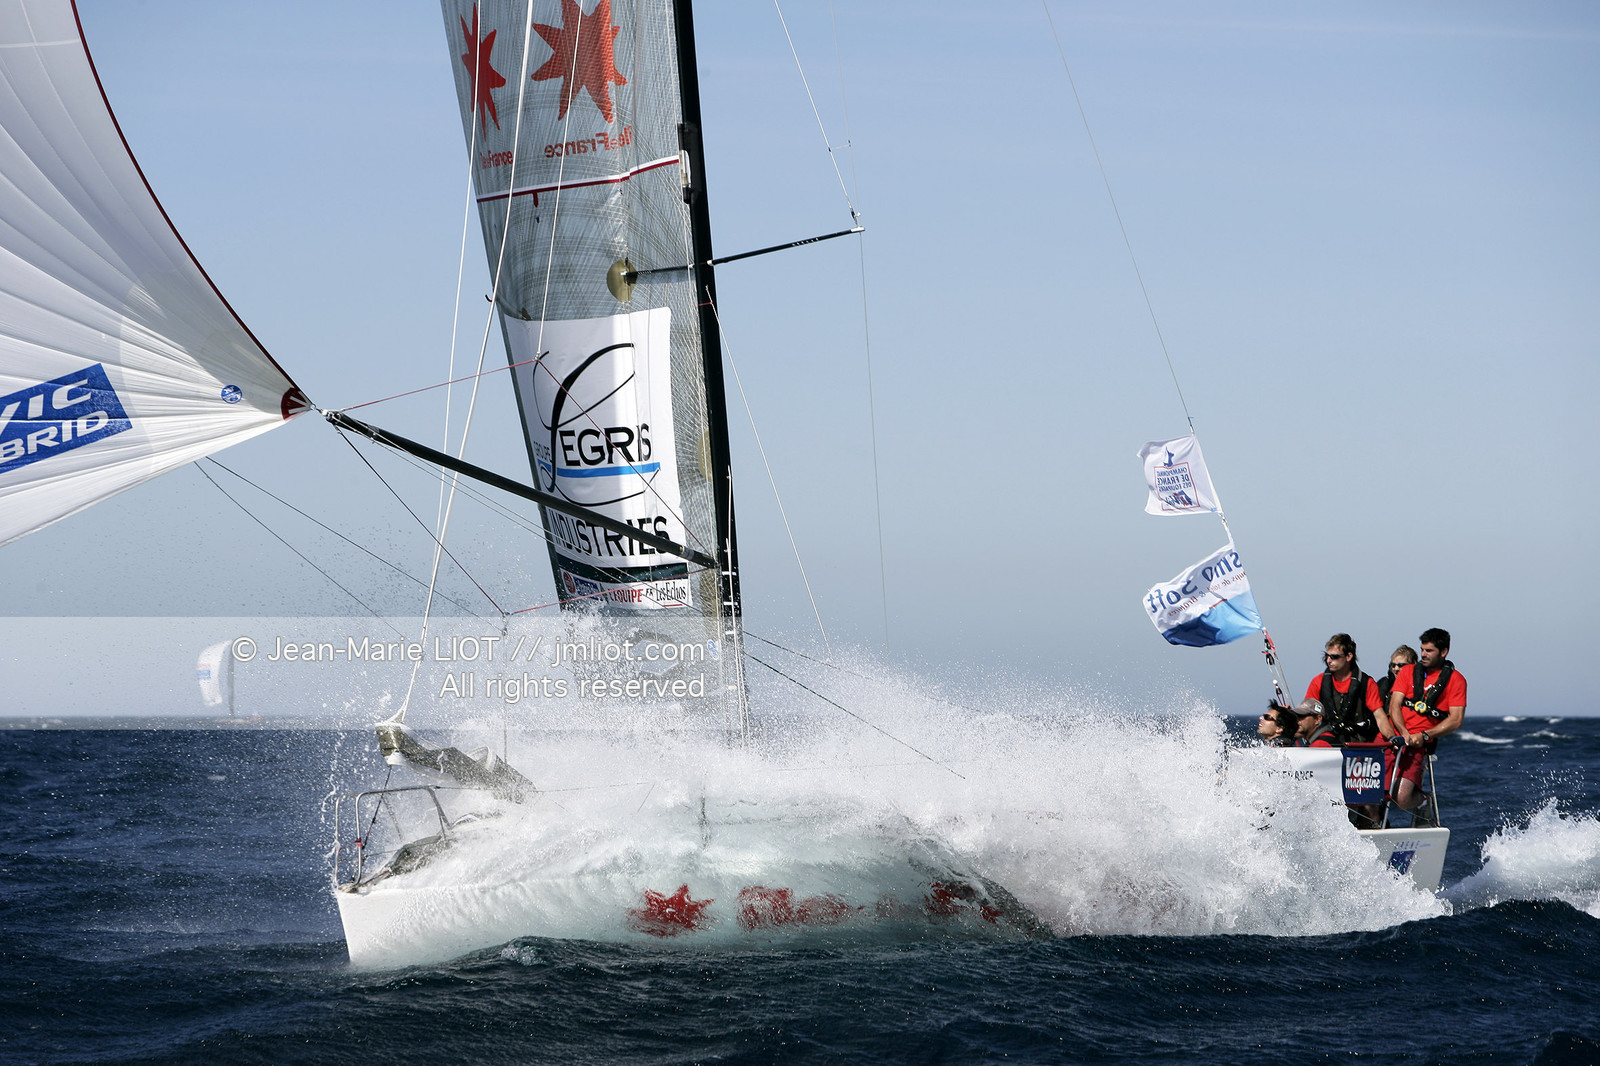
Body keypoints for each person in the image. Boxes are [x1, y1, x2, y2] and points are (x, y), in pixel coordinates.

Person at [1376, 627, 1466, 820]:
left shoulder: (1457, 681)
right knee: (1371, 789)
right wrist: (1402, 732)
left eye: (1429, 651)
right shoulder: (1408, 672)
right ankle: (1371, 825)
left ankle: (1424, 801)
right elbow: (1395, 705)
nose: (1423, 655)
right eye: (1422, 649)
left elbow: (1456, 720)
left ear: (1443, 652)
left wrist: (1424, 736)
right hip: (1392, 736)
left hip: (1419, 741)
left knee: (1401, 797)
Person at [1305, 634, 1381, 745]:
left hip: (1358, 744)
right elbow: (1306, 712)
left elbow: (1380, 716)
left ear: (1348, 657)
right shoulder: (1318, 682)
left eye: (1334, 657)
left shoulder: (1367, 683)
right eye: (1326, 656)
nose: (1328, 660)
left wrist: (1392, 737)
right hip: (1327, 740)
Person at [1376, 645, 1418, 711]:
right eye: (1393, 665)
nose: (1396, 668)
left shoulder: (1420, 685)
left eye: (1401, 665)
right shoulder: (1384, 684)